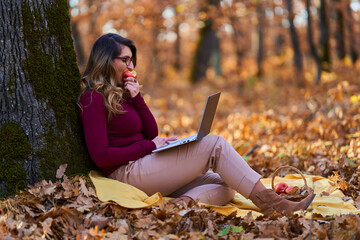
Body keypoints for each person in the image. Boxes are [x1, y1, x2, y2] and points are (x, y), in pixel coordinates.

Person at [78, 33, 315, 216]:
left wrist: (137, 99)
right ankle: (275, 205)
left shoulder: (124, 94)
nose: (131, 67)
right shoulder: (93, 98)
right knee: (214, 145)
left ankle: (183, 204)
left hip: (144, 165)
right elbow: (101, 156)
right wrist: (149, 147)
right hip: (125, 172)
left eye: (132, 60)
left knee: (228, 181)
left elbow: (151, 133)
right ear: (106, 60)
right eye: (125, 60)